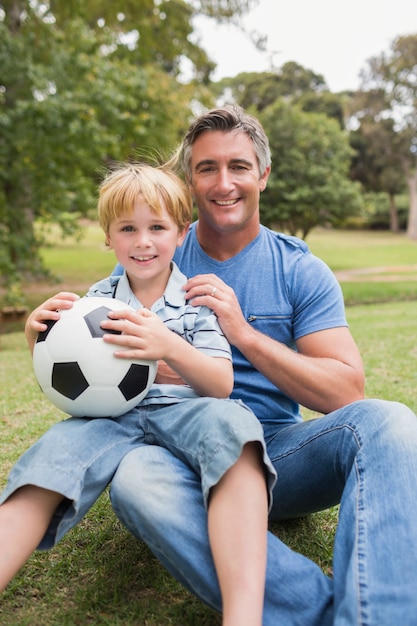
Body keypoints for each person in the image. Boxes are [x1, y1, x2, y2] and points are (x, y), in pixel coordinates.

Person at [109, 106, 417, 626]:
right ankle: (319, 614)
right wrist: (45, 332)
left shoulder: (300, 269)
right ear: (190, 179)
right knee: (134, 480)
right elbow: (104, 354)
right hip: (184, 457)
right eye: (207, 168)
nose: (223, 182)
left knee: (390, 422)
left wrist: (243, 333)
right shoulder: (154, 253)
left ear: (263, 176)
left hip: (279, 456)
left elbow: (347, 389)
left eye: (239, 167)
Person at [0, 163, 276, 626]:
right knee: (50, 458)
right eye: (128, 228)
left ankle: (243, 615)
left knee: (236, 427)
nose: (143, 241)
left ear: (181, 234)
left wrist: (170, 347)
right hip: (107, 419)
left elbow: (221, 386)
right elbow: (68, 380)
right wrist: (37, 338)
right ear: (108, 237)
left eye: (157, 227)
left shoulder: (194, 301)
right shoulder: (92, 301)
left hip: (183, 414)